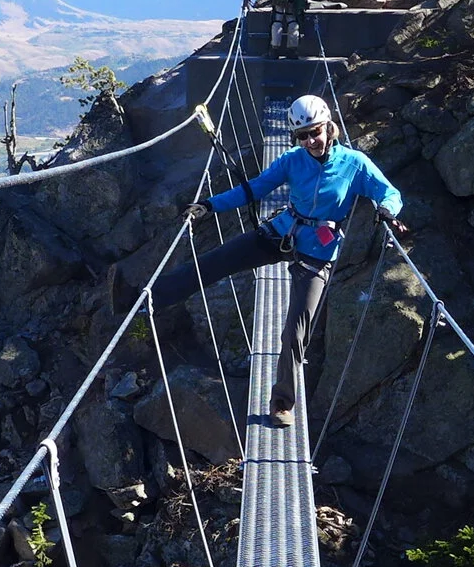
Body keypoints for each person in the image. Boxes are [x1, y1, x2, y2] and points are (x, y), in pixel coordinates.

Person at [149, 94, 407, 427]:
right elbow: (255, 189)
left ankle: (282, 402)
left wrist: (387, 211)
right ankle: (149, 296)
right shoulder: (292, 160)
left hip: (318, 252)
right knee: (217, 261)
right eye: (303, 136)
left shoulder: (354, 164)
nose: (310, 141)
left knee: (295, 333)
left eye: (315, 132)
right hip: (284, 231)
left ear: (329, 128)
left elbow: (389, 193)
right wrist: (210, 206)